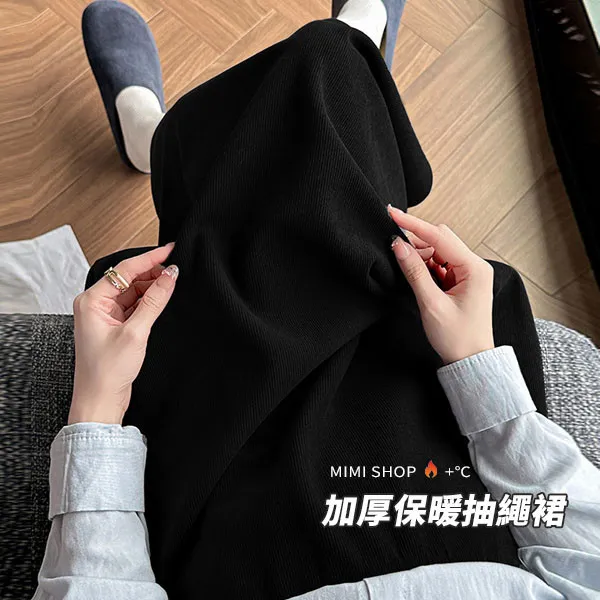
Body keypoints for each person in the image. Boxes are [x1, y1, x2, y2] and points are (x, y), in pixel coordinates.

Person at [32, 1, 600, 599]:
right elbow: (584, 549)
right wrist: (479, 366)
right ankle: (332, 91)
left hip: (231, 529)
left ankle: (173, 137)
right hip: (445, 479)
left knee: (316, 84)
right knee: (335, 113)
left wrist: (97, 407)